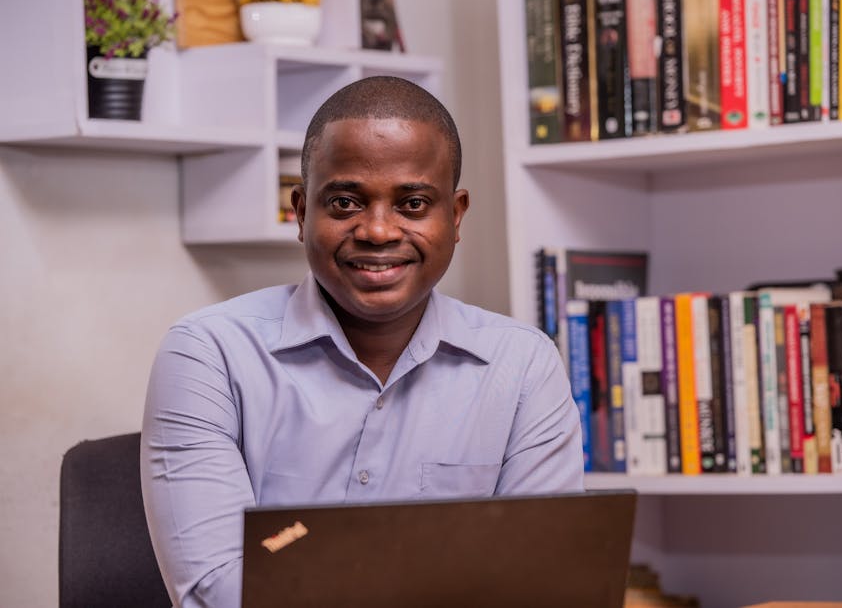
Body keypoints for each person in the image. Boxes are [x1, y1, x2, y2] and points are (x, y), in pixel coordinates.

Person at [141, 76, 584, 607]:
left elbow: (540, 585)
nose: (378, 231)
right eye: (346, 202)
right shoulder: (209, 354)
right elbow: (220, 594)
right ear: (302, 213)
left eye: (413, 204)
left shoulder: (523, 365)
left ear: (456, 214)